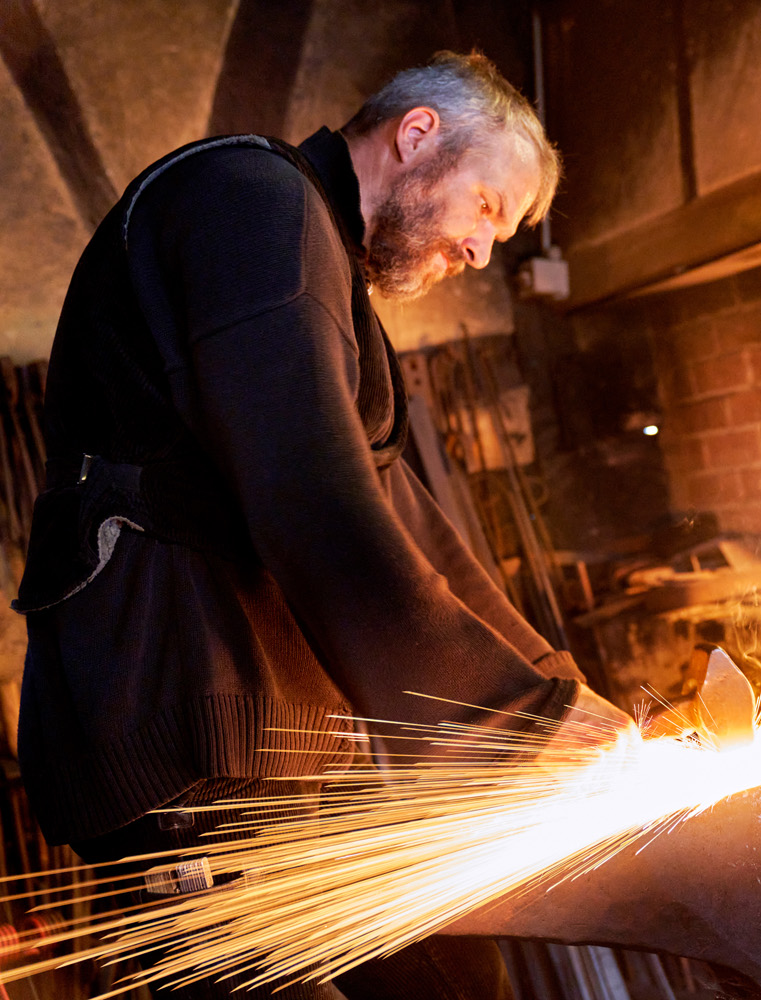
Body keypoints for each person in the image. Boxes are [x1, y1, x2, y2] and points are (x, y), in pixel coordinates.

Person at [13, 50, 632, 997]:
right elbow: (314, 504)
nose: (481, 251)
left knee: (460, 978)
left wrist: (557, 695)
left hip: (273, 746)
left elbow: (404, 519)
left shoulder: (317, 263)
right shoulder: (251, 202)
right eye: (486, 208)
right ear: (417, 133)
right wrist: (517, 718)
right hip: (184, 738)